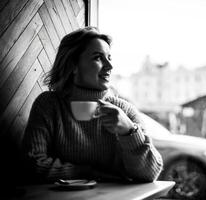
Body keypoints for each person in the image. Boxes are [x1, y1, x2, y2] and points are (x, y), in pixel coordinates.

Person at [22, 26, 163, 183]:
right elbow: (33, 165)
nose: (109, 66)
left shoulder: (124, 111)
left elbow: (150, 173)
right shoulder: (49, 105)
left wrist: (129, 131)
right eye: (98, 58)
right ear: (73, 66)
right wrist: (88, 172)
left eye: (109, 57)